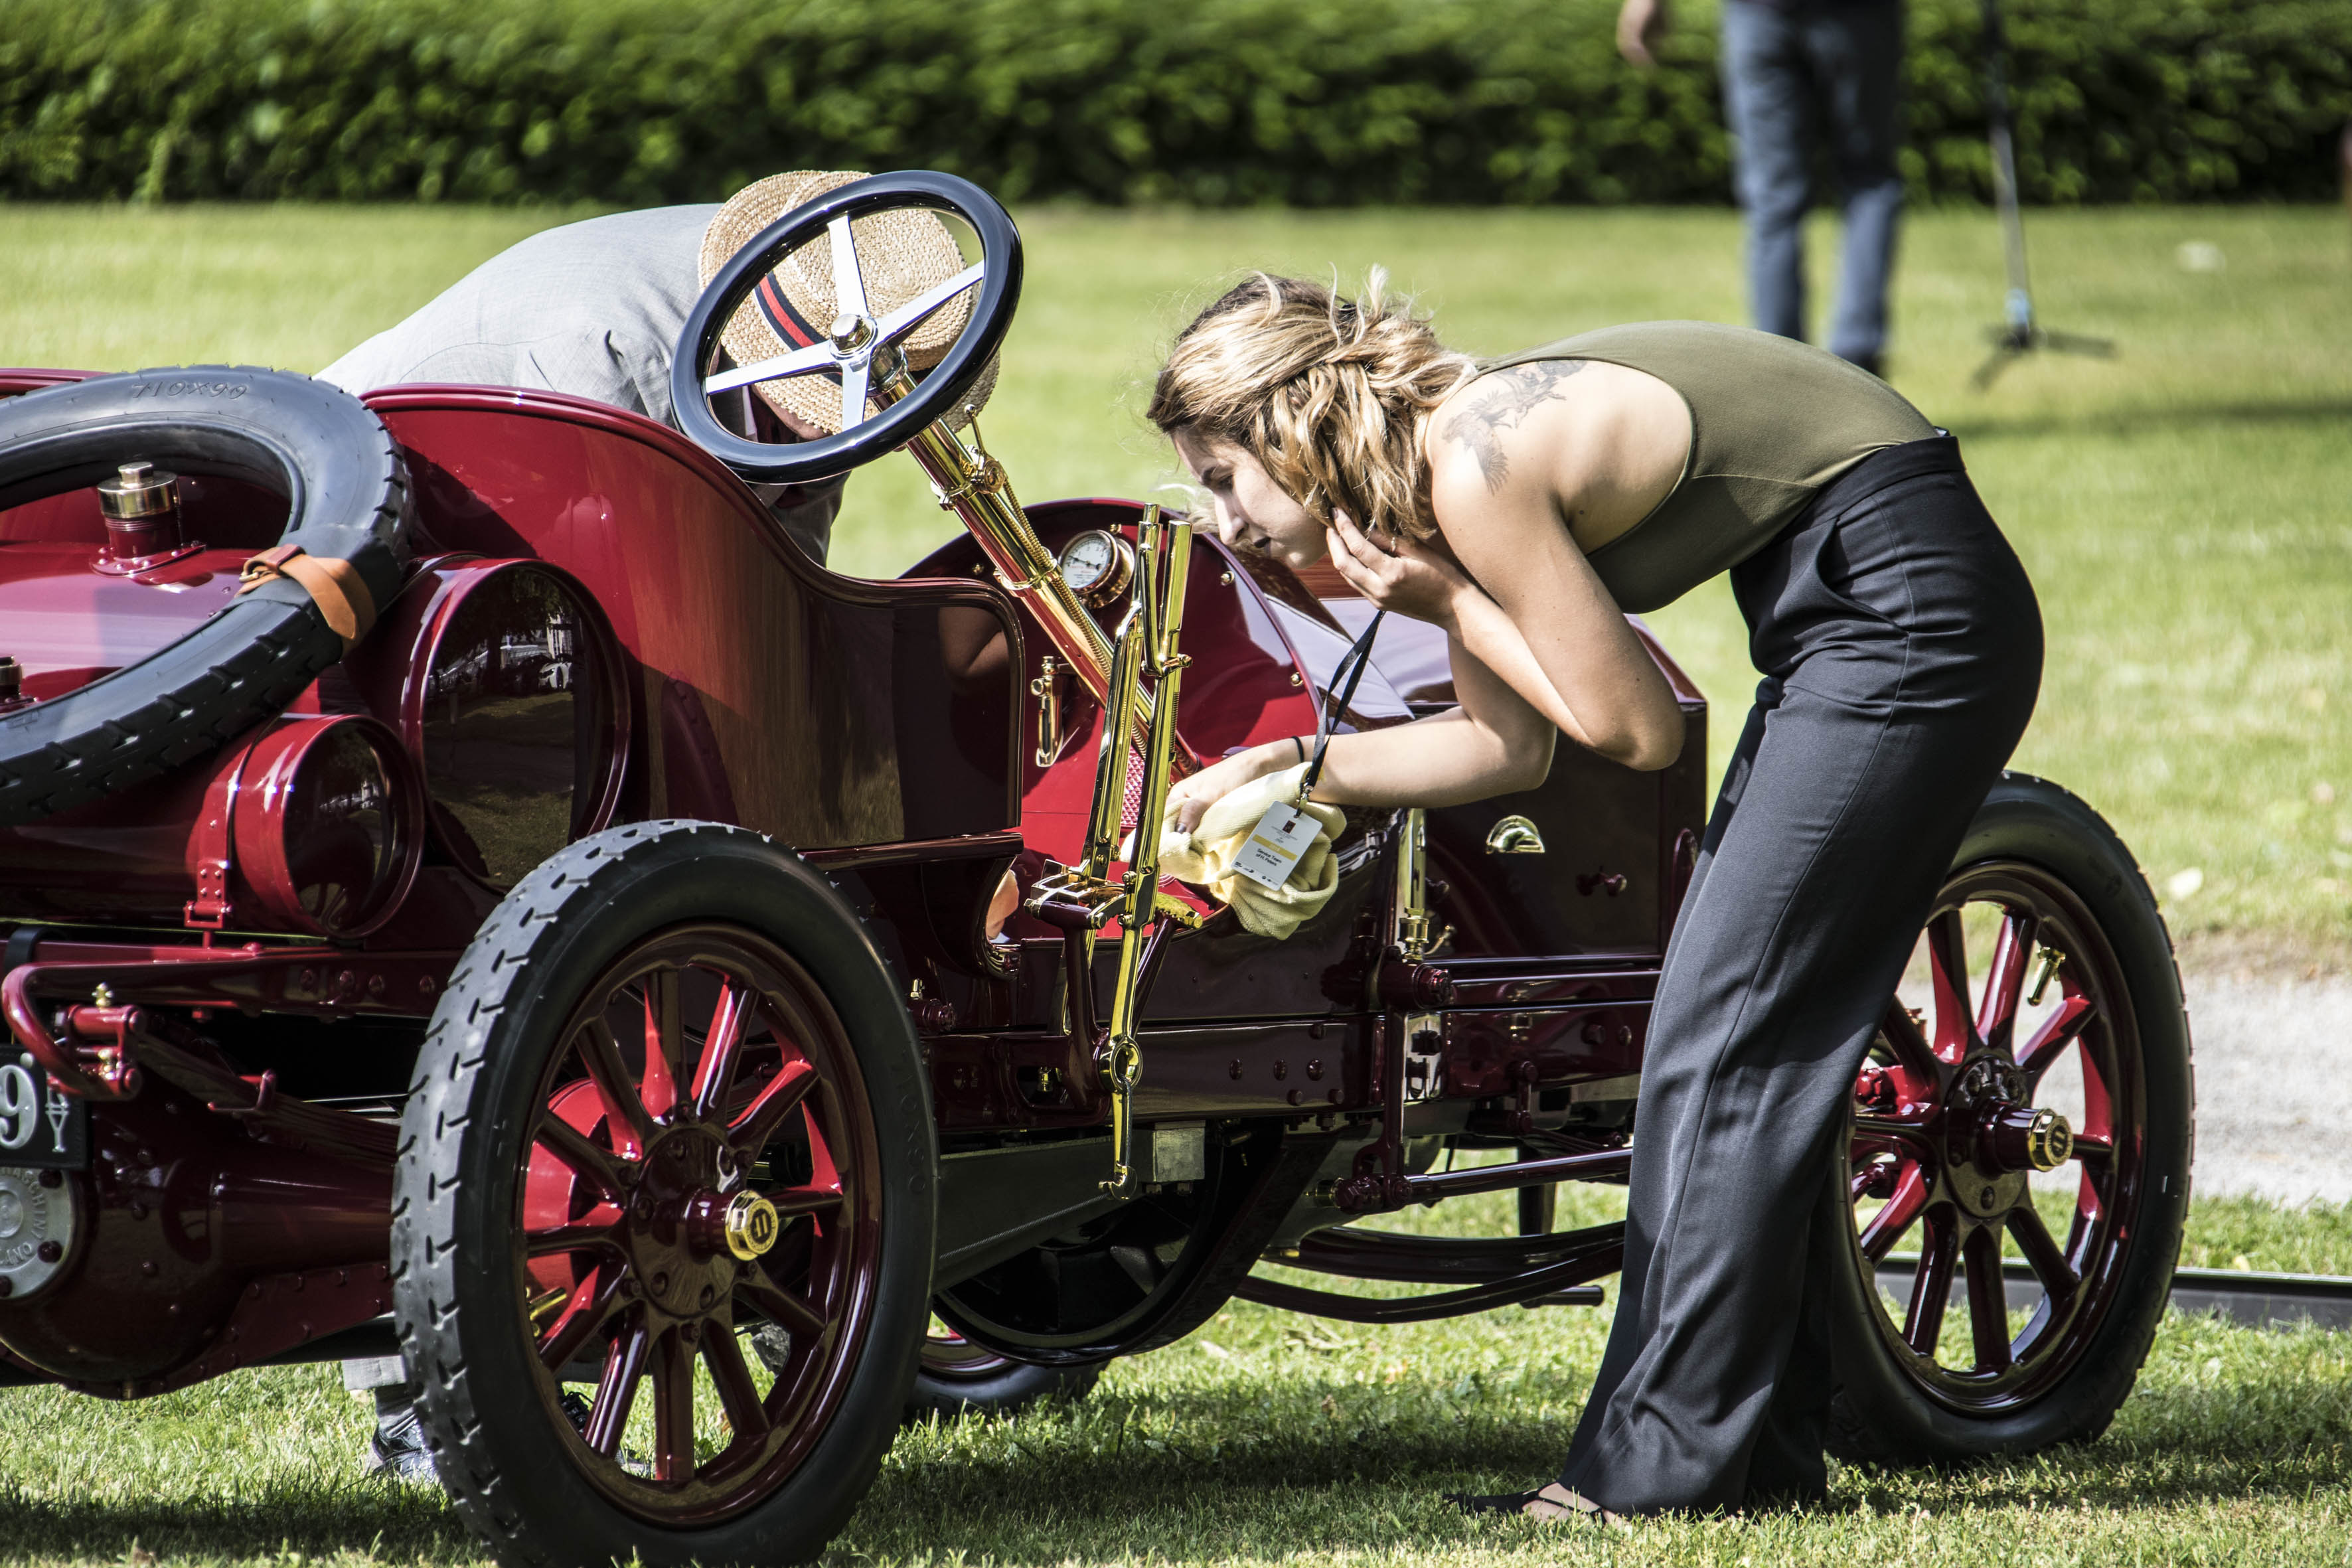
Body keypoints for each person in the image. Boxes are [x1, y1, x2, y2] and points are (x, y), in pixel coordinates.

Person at [1152, 274, 2041, 1517]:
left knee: (1718, 1039)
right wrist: (1296, 766)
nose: (1222, 520)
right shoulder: (1434, 484)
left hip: (1903, 612)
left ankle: (1653, 1477)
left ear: (1292, 431)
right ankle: (1755, 1462)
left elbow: (1633, 732)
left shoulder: (1474, 466)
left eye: (1224, 478)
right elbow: (1503, 746)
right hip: (1846, 611)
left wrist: (1447, 603)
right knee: (1729, 1035)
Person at [321, 167, 989, 1483]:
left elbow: (775, 561)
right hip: (402, 555)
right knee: (539, 947)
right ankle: (438, 1381)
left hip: (496, 559)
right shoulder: (600, 366)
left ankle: (829, 1285)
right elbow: (619, 637)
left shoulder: (797, 308)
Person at [320, 167, 992, 567]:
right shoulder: (609, 354)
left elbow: (788, 564)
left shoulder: (826, 287)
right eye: (832, 403)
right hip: (351, 503)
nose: (853, 429)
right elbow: (612, 598)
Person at [1616, 0, 1907, 377]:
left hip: (1761, 14)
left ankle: (1779, 366)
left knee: (1775, 197)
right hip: (1855, 15)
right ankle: (1857, 358)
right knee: (1868, 180)